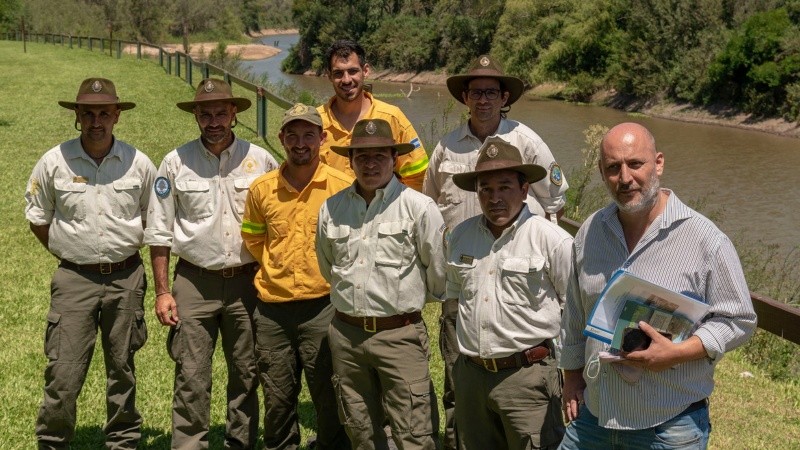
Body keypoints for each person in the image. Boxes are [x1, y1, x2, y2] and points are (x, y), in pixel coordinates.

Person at [558, 122, 757, 450]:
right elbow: (575, 314)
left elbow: (738, 320)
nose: (625, 178)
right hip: (595, 415)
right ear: (601, 171)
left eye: (635, 164)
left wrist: (677, 353)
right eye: (613, 168)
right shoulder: (590, 232)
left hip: (669, 425)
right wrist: (571, 377)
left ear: (659, 163)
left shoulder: (705, 240)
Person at [422, 54, 569, 449]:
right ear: (465, 98)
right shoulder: (447, 146)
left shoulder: (526, 140)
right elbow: (430, 204)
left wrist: (533, 239)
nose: (483, 100)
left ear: (503, 96)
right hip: (466, 274)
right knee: (459, 379)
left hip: (520, 281)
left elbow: (556, 201)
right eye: (476, 92)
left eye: (491, 92)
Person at [145, 78, 278, 449]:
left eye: (221, 112)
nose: (214, 121)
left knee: (247, 372)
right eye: (206, 114)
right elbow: (159, 231)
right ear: (196, 116)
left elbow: (279, 222)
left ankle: (242, 443)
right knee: (191, 375)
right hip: (194, 281)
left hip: (247, 282)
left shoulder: (262, 160)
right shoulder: (174, 163)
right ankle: (190, 444)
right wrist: (162, 291)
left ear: (234, 113)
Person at [25, 77, 156, 449]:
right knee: (63, 372)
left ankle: (123, 441)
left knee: (123, 368)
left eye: (104, 113)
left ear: (117, 115)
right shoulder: (54, 162)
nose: (96, 121)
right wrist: (70, 250)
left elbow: (153, 216)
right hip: (74, 280)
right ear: (77, 117)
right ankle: (52, 442)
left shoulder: (138, 163)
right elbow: (38, 217)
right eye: (88, 113)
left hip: (127, 278)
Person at [316, 119, 445, 450]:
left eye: (379, 156)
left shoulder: (419, 208)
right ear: (350, 160)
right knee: (359, 427)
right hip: (346, 336)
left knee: (413, 430)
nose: (370, 164)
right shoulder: (332, 208)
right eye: (361, 156)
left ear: (394, 158)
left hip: (399, 334)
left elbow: (439, 274)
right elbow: (329, 267)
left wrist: (402, 302)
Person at [445, 137, 571, 450]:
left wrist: (573, 374)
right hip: (471, 375)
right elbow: (454, 298)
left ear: (525, 188)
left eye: (504, 187)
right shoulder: (460, 236)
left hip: (527, 378)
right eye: (485, 189)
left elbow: (576, 310)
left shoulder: (552, 240)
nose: (494, 198)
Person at [241, 103, 352, 450]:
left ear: (322, 138)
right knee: (277, 399)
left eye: (308, 134)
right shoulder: (261, 189)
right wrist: (281, 270)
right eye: (292, 135)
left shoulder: (343, 186)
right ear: (282, 138)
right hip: (273, 311)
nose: (300, 142)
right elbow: (254, 239)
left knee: (329, 395)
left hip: (325, 308)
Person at [317, 39, 429, 191]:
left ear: (365, 71)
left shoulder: (392, 117)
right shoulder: (316, 122)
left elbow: (417, 174)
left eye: (353, 71)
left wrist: (398, 207)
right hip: (331, 213)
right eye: (338, 73)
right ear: (329, 75)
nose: (346, 80)